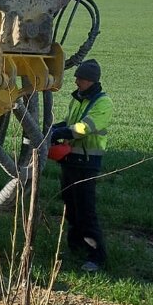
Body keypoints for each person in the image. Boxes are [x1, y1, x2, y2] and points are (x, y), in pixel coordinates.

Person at [50, 58, 113, 273]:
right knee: (71, 206)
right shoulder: (78, 99)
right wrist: (53, 128)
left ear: (91, 81)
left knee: (86, 210)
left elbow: (83, 128)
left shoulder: (103, 103)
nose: (76, 81)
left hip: (87, 163)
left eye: (80, 78)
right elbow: (69, 123)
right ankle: (75, 246)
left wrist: (59, 133)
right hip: (70, 160)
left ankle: (97, 256)